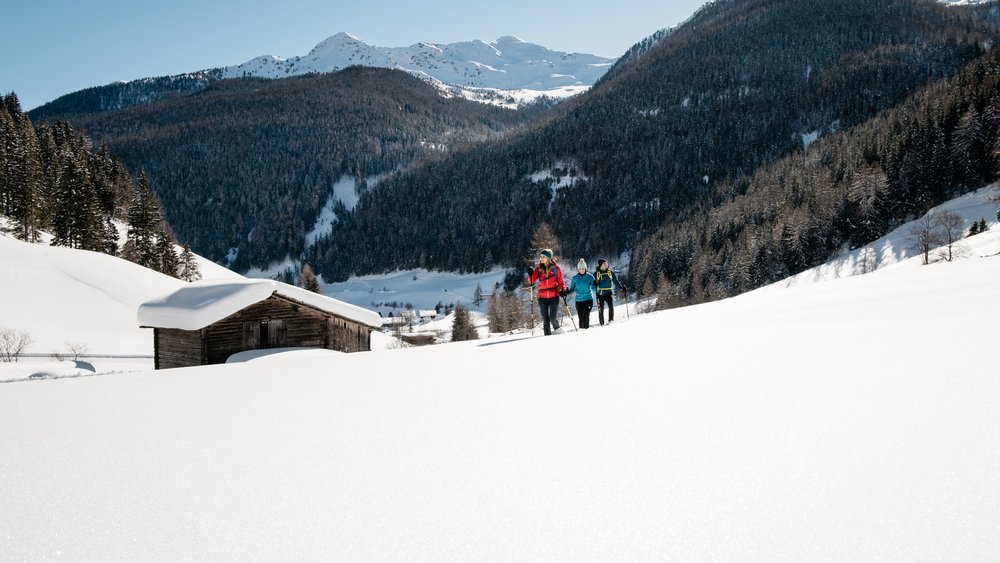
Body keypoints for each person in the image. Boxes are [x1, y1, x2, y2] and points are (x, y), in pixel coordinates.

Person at [526, 248, 566, 335]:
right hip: (542, 298)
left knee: (552, 318)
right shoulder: (539, 269)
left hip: (554, 297)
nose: (541, 258)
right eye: (541, 256)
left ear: (549, 258)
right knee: (545, 320)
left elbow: (560, 281)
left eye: (544, 256)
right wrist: (530, 274)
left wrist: (563, 290)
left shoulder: (556, 269)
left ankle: (558, 332)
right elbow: (531, 282)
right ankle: (547, 338)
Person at [566, 259, 597, 329]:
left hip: (588, 299)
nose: (581, 270)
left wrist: (596, 285)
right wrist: (567, 291)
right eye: (580, 269)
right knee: (580, 317)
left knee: (586, 315)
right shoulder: (575, 278)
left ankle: (586, 331)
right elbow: (572, 289)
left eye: (583, 268)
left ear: (585, 268)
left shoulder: (590, 277)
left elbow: (594, 289)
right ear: (578, 269)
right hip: (578, 301)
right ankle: (581, 333)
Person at [594, 259, 624, 325]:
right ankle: (601, 323)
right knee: (600, 309)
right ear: (601, 265)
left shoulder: (610, 273)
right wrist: (594, 284)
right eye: (604, 264)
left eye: (606, 263)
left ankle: (611, 321)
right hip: (600, 294)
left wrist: (622, 288)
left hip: (608, 293)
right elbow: (591, 282)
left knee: (611, 306)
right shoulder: (596, 273)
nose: (606, 265)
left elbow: (615, 281)